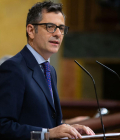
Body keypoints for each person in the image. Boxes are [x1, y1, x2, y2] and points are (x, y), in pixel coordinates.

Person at [0, 1, 95, 140]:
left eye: (61, 28)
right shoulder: (13, 68)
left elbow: (44, 123)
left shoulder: (50, 70)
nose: (58, 34)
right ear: (31, 30)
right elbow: (3, 127)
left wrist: (67, 127)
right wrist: (47, 134)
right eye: (50, 27)